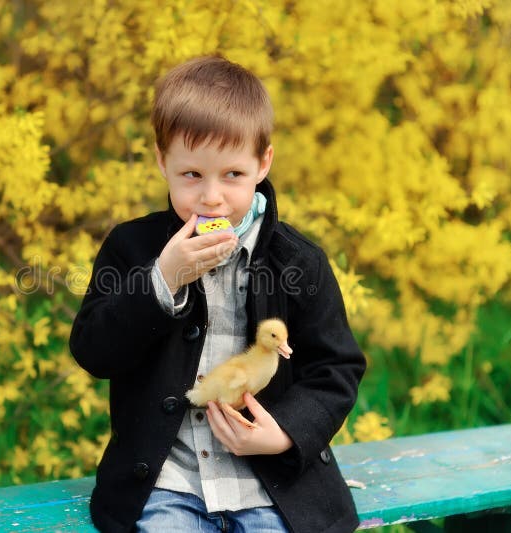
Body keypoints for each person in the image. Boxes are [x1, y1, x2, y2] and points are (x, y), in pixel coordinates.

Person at [69, 55, 366, 533]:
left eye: (232, 175)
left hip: (270, 487)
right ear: (162, 162)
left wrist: (285, 433)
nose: (212, 198)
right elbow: (92, 351)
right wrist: (161, 280)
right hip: (169, 483)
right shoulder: (132, 247)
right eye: (192, 176)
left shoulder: (300, 262)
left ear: (262, 162)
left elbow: (337, 368)